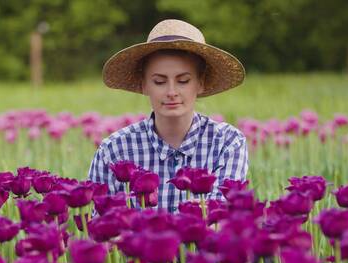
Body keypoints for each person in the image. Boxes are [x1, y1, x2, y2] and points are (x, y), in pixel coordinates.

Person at [88, 19, 248, 213]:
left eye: (183, 80)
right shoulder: (114, 150)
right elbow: (101, 225)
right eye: (159, 81)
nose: (171, 91)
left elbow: (223, 218)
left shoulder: (227, 143)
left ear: (201, 82)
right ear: (144, 84)